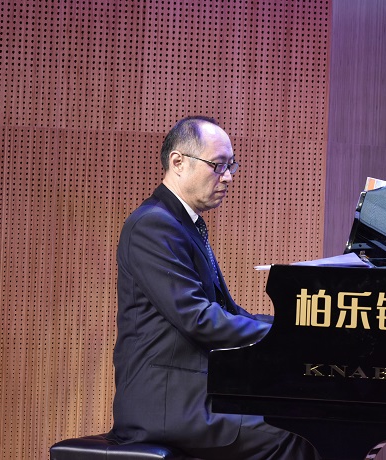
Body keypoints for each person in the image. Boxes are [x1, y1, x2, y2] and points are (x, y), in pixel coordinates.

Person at [108, 116, 320, 460]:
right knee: (296, 435)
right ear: (178, 162)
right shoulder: (153, 225)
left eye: (231, 165)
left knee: (307, 421)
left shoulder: (182, 223)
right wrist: (287, 338)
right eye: (218, 165)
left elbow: (227, 312)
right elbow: (199, 318)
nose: (228, 176)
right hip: (166, 403)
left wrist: (293, 327)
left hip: (193, 392)